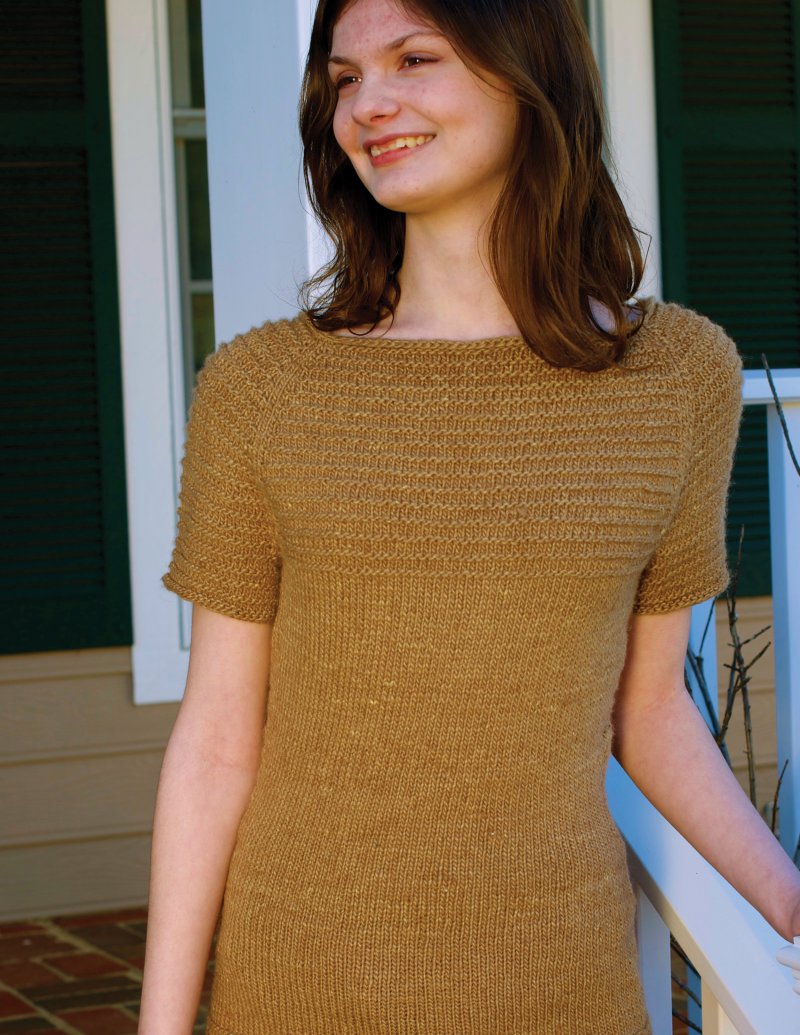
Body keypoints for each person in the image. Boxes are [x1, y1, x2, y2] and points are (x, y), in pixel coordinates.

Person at [138, 0, 800, 1032]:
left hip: (560, 983)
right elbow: (217, 740)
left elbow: (652, 711)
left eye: (414, 59)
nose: (369, 104)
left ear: (527, 75)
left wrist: (785, 897)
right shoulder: (262, 389)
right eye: (345, 78)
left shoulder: (676, 378)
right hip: (301, 981)